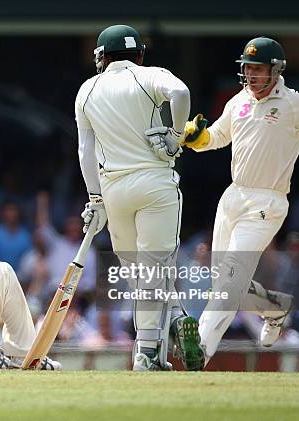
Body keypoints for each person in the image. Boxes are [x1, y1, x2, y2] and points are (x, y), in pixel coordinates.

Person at [182, 37, 299, 366]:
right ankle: (275, 307)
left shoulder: (295, 103)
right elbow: (217, 137)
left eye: (258, 69)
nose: (252, 76)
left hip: (267, 202)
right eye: (248, 69)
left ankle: (197, 353)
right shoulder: (238, 101)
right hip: (233, 197)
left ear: (275, 71)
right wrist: (197, 138)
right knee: (224, 285)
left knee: (228, 283)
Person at [74, 24, 202, 371]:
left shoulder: (87, 90)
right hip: (155, 184)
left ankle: (171, 322)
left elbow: (86, 150)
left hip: (114, 189)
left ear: (102, 57)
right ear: (140, 55)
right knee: (154, 269)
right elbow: (181, 92)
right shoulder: (150, 75)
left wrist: (95, 198)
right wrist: (176, 136)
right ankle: (148, 352)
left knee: (139, 272)